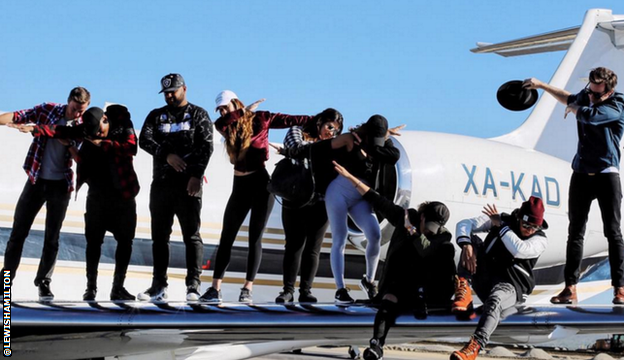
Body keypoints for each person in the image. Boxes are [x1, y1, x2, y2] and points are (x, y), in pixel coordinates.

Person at [12, 105, 140, 301]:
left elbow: (131, 148)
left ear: (105, 120)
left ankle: (117, 287)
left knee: (124, 242)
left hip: (122, 195)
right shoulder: (88, 131)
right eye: (93, 133)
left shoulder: (121, 122)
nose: (96, 134)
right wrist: (34, 129)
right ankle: (90, 288)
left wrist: (100, 143)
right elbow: (63, 132)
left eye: (99, 131)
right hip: (93, 195)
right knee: (18, 236)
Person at [200, 90, 314, 303]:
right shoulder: (226, 125)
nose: (223, 112)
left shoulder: (262, 118)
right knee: (227, 237)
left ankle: (247, 288)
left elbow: (293, 120)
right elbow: (219, 124)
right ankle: (215, 288)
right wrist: (241, 112)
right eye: (221, 109)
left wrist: (321, 121)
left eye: (226, 107)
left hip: (260, 184)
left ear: (235, 102)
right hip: (239, 185)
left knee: (255, 237)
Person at [333, 161, 455, 360]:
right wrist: (350, 177)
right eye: (428, 225)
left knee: (445, 254)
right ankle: (377, 346)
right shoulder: (404, 216)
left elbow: (426, 250)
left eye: (435, 228)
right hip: (397, 283)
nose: (430, 231)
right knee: (389, 299)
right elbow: (377, 199)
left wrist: (412, 231)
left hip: (422, 285)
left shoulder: (443, 237)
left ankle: (429, 301)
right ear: (422, 216)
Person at [524, 67, 624, 305]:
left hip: (606, 173)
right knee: (575, 232)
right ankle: (570, 288)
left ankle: (619, 288)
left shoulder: (617, 105)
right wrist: (542, 85)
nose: (591, 96)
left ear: (608, 92)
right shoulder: (588, 96)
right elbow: (568, 97)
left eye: (597, 94)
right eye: (590, 91)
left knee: (613, 232)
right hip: (581, 173)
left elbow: (591, 116)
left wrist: (577, 108)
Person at [0, 87, 90, 301]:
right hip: (36, 180)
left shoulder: (83, 125)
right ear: (68, 102)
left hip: (60, 185)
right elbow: (19, 116)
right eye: (76, 109)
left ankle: (43, 282)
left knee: (52, 237)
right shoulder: (48, 110)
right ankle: (6, 282)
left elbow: (80, 159)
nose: (78, 114)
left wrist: (67, 144)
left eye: (82, 110)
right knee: (18, 233)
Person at [138, 73, 213, 302]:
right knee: (159, 237)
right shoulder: (156, 116)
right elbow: (144, 140)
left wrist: (196, 175)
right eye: (166, 93)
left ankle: (193, 286)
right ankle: (158, 285)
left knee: (192, 236)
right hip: (161, 184)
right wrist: (167, 155)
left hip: (188, 185)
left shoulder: (199, 114)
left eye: (174, 91)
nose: (170, 96)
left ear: (184, 89)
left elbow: (206, 146)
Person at [449, 197, 548, 360]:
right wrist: (466, 244)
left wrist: (501, 225)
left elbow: (519, 250)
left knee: (495, 300)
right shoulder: (503, 220)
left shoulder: (540, 240)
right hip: (485, 278)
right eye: (526, 225)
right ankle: (464, 291)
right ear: (518, 219)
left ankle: (475, 346)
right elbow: (464, 224)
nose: (530, 230)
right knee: (471, 242)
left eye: (534, 227)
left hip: (511, 286)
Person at [325, 115, 400, 303]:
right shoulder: (353, 139)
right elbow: (325, 147)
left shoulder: (379, 145)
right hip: (338, 193)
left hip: (360, 195)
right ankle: (340, 289)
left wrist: (386, 137)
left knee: (374, 235)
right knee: (339, 238)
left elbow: (393, 156)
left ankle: (369, 280)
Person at [273, 108, 344, 303]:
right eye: (330, 127)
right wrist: (324, 148)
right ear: (319, 122)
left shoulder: (332, 144)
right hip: (295, 197)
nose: (332, 133)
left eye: (337, 131)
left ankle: (306, 290)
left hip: (321, 200)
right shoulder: (297, 130)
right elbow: (296, 149)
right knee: (294, 245)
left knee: (313, 247)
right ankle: (287, 290)